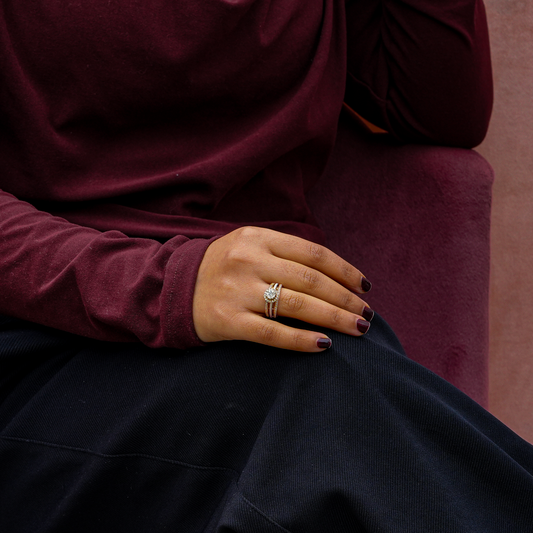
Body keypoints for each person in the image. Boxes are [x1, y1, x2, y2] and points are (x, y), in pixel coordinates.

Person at [1, 1, 532, 531]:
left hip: (279, 342)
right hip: (47, 332)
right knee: (323, 419)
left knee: (326, 404)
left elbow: (438, 108)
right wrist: (168, 285)